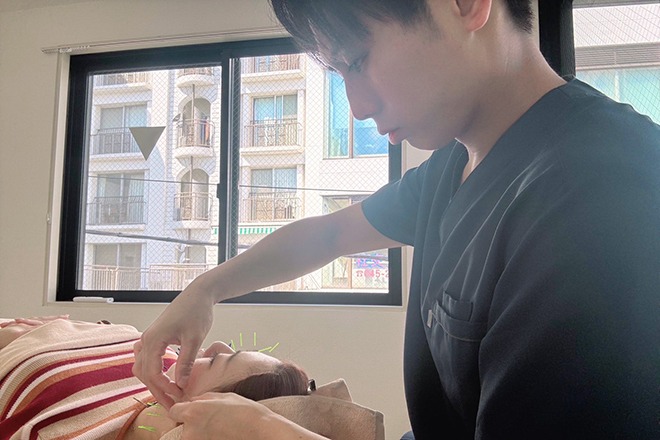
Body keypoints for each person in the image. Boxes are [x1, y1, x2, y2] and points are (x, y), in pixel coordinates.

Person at [133, 0, 660, 439]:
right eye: (339, 73)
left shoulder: (602, 191)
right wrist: (205, 290)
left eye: (358, 60)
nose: (357, 107)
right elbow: (330, 233)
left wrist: (271, 433)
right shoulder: (454, 168)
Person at [0, 316, 309, 439]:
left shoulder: (71, 431)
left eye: (219, 360)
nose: (216, 345)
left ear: (203, 411)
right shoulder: (161, 363)